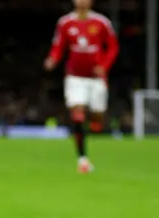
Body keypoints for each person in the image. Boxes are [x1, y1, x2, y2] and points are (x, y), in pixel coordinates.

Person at [44, 0, 119, 173]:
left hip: (96, 78)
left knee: (97, 117)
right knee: (77, 114)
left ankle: (93, 127)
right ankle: (83, 160)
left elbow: (113, 47)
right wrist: (53, 58)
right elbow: (58, 46)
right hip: (75, 77)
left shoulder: (101, 22)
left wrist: (104, 66)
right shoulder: (65, 23)